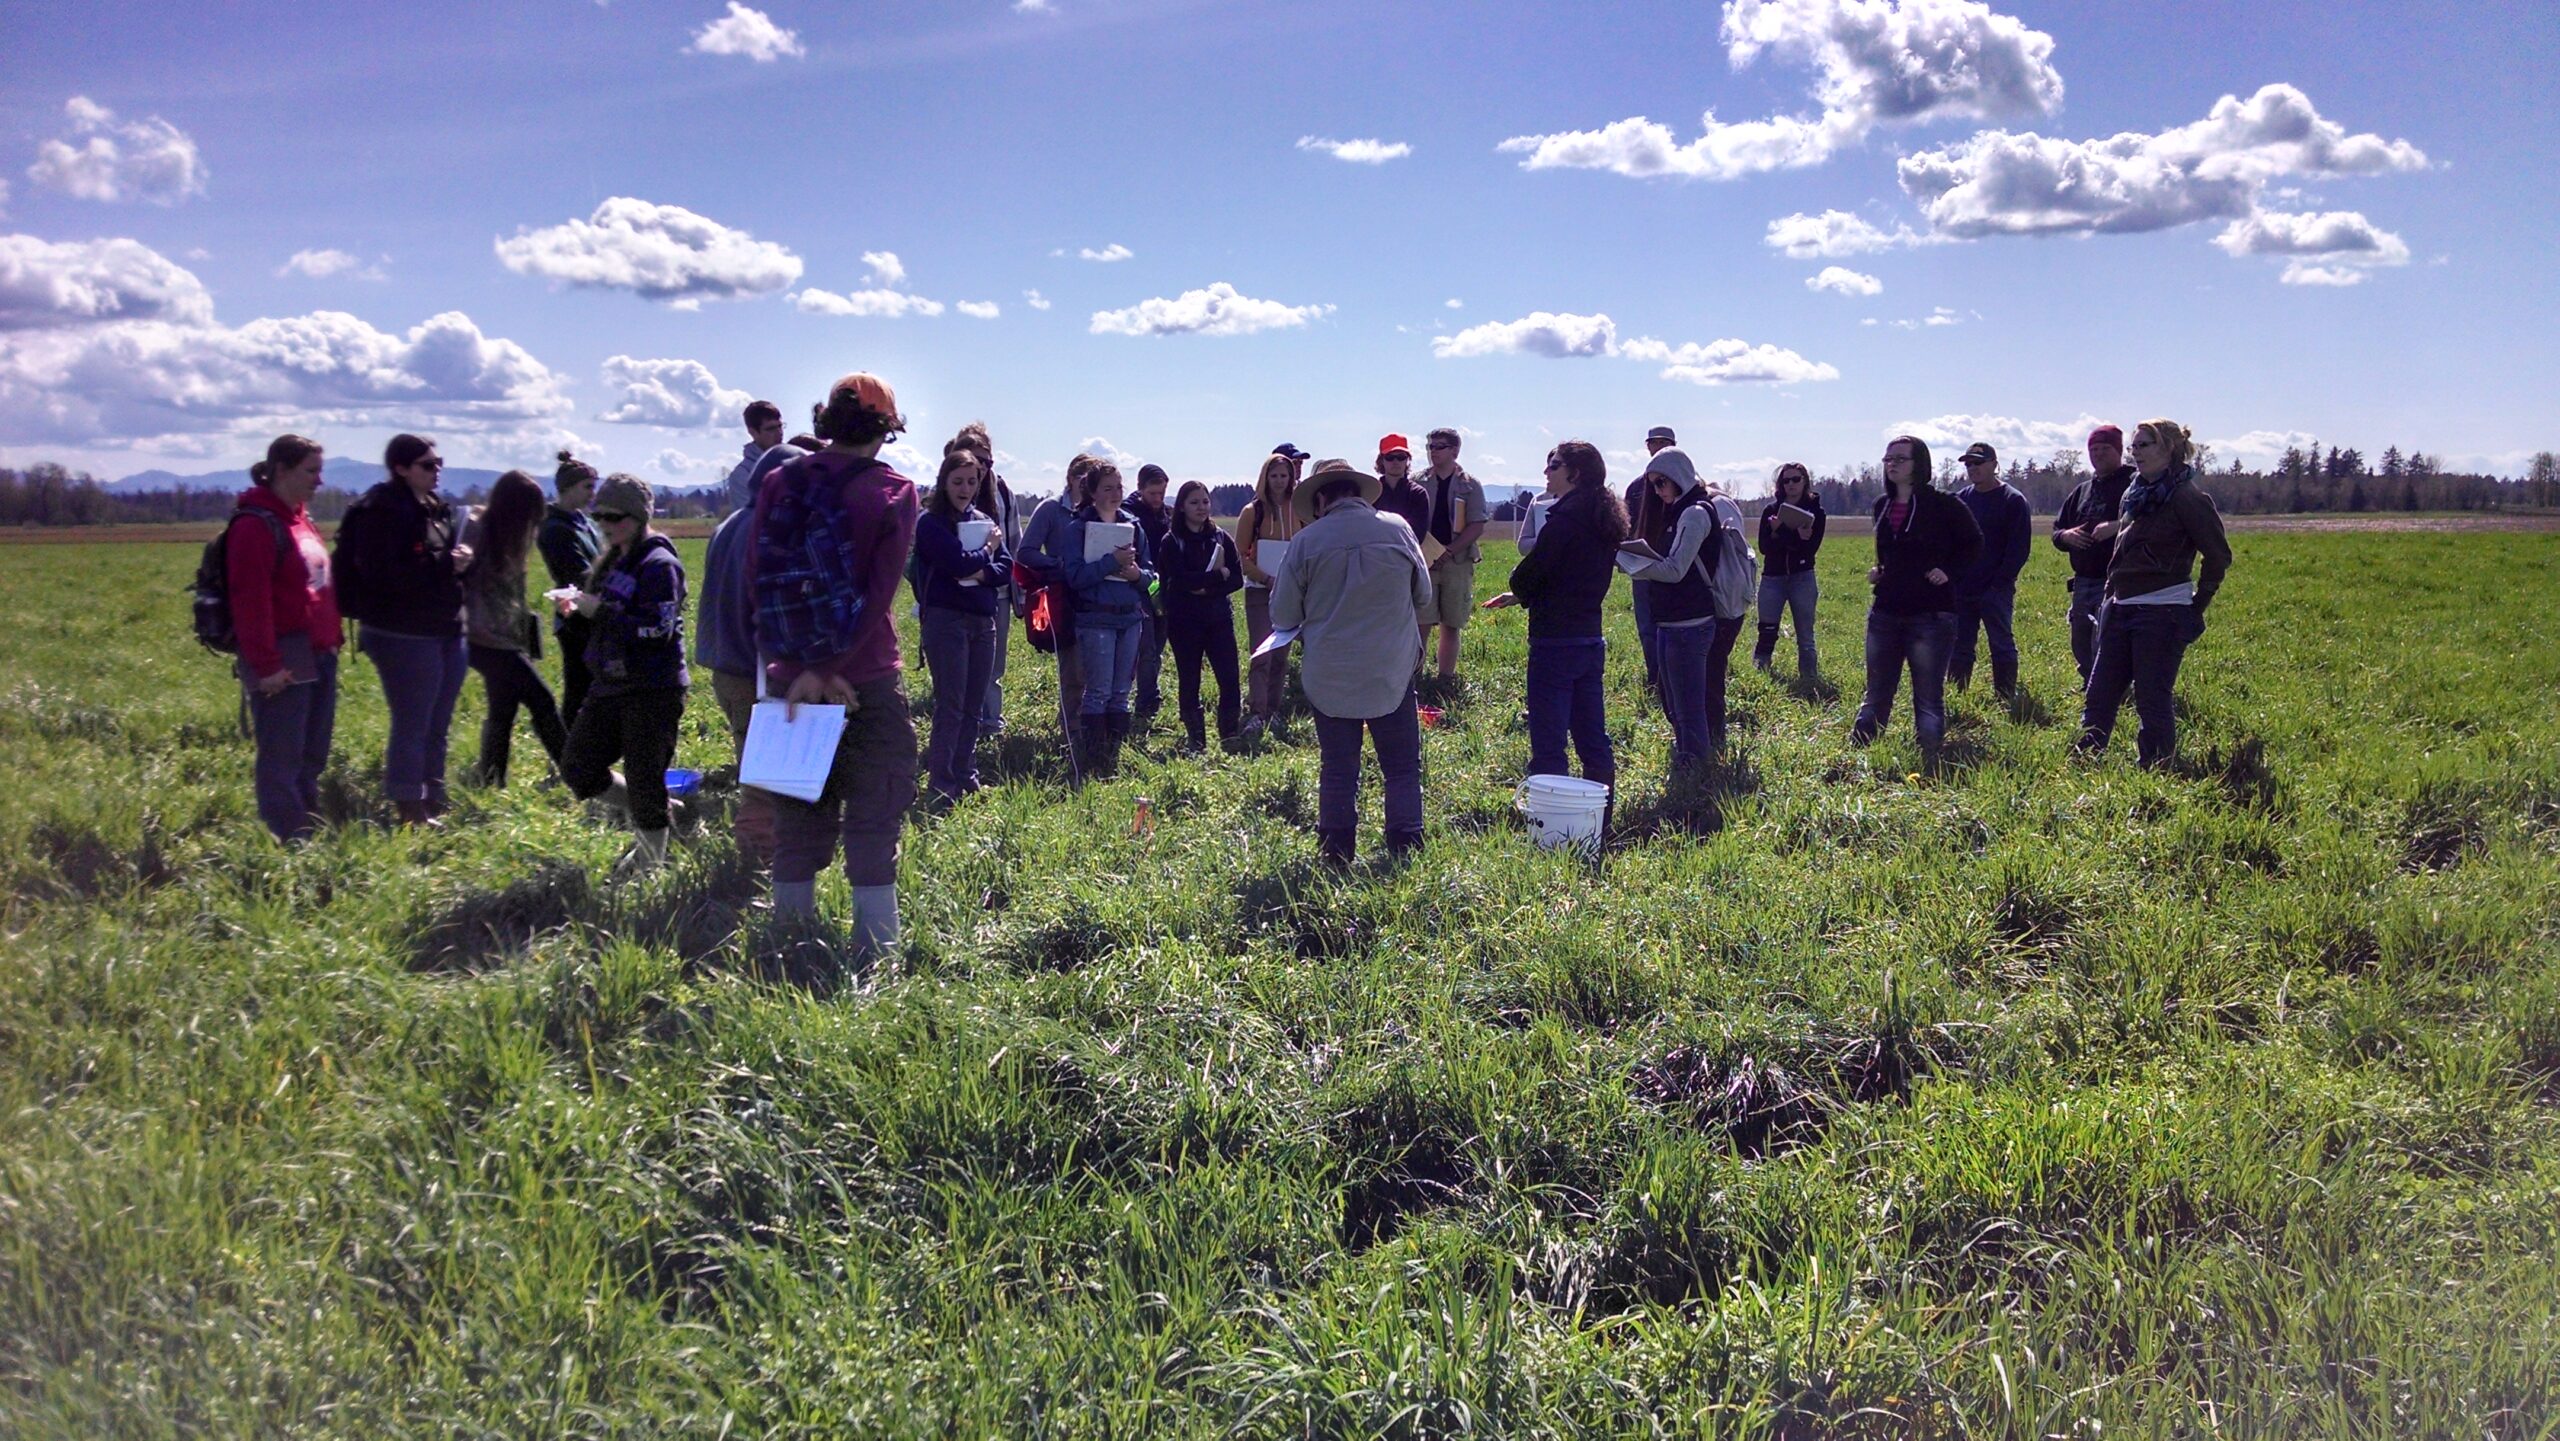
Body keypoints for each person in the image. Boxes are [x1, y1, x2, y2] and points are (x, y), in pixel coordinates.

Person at [749, 373, 921, 957]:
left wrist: (795, 667)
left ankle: (787, 940)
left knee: (796, 816)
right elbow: (879, 595)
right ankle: (877, 953)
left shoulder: (778, 481)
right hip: (864, 678)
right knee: (876, 810)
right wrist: (833, 666)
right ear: (885, 428)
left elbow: (759, 577)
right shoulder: (894, 491)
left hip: (787, 682)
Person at [1272, 459, 1432, 865]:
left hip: (1332, 672)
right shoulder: (1398, 528)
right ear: (1359, 493)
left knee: (1339, 767)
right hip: (1391, 668)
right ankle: (1405, 845)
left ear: (1322, 497)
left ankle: (1336, 851)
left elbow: (1284, 615)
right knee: (1401, 767)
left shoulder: (1307, 542)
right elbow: (1424, 596)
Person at [2076, 419, 2232, 767]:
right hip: (2120, 608)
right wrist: (2108, 601)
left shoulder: (2187, 498)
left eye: (2144, 445)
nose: (2135, 453)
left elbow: (2219, 556)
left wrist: (2197, 607)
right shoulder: (2133, 496)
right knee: (2099, 694)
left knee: (2151, 697)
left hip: (2162, 613)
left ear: (2169, 449)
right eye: (2133, 447)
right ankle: (2085, 759)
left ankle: (2157, 767)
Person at [333, 433, 471, 827]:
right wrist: (449, 564)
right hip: (403, 634)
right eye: (428, 465)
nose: (437, 470)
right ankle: (409, 805)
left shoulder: (431, 507)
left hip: (444, 628)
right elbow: (388, 578)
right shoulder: (382, 511)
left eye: (439, 462)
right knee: (414, 722)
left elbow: (433, 564)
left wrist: (459, 560)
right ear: (401, 468)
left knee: (438, 721)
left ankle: (433, 795)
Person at [558, 474, 690, 873]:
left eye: (615, 517)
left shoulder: (659, 564)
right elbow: (610, 621)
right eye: (600, 517)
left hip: (653, 688)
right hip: (611, 684)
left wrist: (601, 612)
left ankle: (650, 866)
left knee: (645, 776)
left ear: (637, 516)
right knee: (578, 767)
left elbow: (657, 629)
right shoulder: (617, 560)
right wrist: (579, 612)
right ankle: (666, 812)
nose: (606, 525)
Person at [1487, 441, 1623, 798]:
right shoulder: (1602, 519)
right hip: (1590, 639)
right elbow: (1568, 577)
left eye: (1555, 465)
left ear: (1575, 474)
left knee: (1548, 743)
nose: (1547, 471)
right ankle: (1599, 817)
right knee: (1593, 737)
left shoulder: (1564, 521)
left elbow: (1527, 576)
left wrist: (1520, 586)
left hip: (1554, 644)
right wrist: (1524, 594)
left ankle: (1554, 828)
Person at [228, 434, 342, 842]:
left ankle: (306, 828)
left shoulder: (300, 519)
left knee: (312, 753)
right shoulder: (255, 524)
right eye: (310, 471)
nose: (319, 481)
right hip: (284, 657)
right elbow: (249, 602)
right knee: (282, 756)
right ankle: (290, 840)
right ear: (280, 470)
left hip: (319, 653)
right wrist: (266, 666)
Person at [1850, 435, 1982, 763]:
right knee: (1877, 691)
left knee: (1927, 695)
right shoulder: (1882, 506)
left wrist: (1948, 570)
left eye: (1900, 459)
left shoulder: (1945, 505)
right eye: (1888, 459)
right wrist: (1880, 570)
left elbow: (1974, 544)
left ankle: (1930, 759)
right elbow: (1892, 551)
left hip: (1932, 615)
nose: (1892, 464)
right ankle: (1859, 759)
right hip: (1886, 611)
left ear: (1918, 464)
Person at [460, 470, 568, 788]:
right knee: (542, 701)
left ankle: (491, 779)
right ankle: (578, 774)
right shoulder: (478, 530)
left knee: (503, 709)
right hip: (482, 639)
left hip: (505, 638)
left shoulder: (509, 539)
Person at [913, 449, 1010, 803]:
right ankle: (942, 781)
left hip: (983, 621)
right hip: (946, 621)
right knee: (950, 704)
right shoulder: (931, 523)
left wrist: (980, 568)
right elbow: (955, 562)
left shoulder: (984, 519)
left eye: (972, 481)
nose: (965, 488)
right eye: (958, 481)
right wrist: (986, 552)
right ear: (944, 482)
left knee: (974, 704)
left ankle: (966, 773)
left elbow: (1006, 567)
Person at [1623, 448, 1725, 769]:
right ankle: (1687, 759)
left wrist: (1632, 564)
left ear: (1680, 476)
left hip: (1690, 623)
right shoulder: (1677, 510)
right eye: (1653, 485)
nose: (1658, 492)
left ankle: (1696, 769)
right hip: (1670, 622)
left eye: (1662, 482)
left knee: (1689, 707)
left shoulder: (1694, 513)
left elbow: (1675, 570)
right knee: (1673, 704)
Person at [1065, 462, 1157, 777]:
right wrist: (1111, 563)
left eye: (1119, 487)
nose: (1115, 494)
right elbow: (1074, 576)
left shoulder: (1135, 527)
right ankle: (1093, 757)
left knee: (1121, 691)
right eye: (1107, 488)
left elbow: (1154, 579)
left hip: (1130, 619)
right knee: (1099, 690)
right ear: (1091, 493)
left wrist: (1136, 575)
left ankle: (1115, 754)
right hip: (1095, 620)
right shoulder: (1078, 528)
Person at [1019, 454, 1097, 776]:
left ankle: (1093, 728)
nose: (1086, 485)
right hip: (1065, 599)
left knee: (1098, 669)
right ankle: (1072, 731)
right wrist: (1059, 566)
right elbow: (1025, 552)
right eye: (1082, 479)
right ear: (1070, 479)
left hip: (1097, 598)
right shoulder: (1051, 510)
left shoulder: (1102, 512)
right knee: (1073, 669)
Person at [1157, 479, 1244, 750]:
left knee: (1230, 678)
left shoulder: (1220, 537)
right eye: (1194, 502)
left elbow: (1237, 578)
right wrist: (1217, 576)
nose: (1201, 507)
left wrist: (1206, 588)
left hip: (1219, 618)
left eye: (1205, 501)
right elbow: (1180, 580)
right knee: (1189, 679)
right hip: (1184, 621)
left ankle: (1229, 735)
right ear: (1181, 507)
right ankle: (1197, 740)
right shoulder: (1171, 541)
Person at [949, 424, 1021, 735]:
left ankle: (990, 722)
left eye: (988, 461)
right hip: (956, 593)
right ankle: (961, 723)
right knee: (960, 664)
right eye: (977, 459)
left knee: (993, 663)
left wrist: (1019, 592)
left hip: (999, 591)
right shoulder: (948, 493)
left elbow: (1014, 540)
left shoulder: (1002, 490)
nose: (982, 467)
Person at [1949, 441, 2033, 701]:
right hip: (1963, 589)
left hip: (1996, 589)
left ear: (1994, 465)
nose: (1972, 468)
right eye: (1968, 464)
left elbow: (2018, 549)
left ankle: (2005, 696)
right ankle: (1956, 696)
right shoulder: (1961, 500)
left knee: (2001, 643)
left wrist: (1999, 584)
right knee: (1959, 646)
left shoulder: (2013, 501)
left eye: (1978, 463)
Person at [2054, 424, 2136, 685]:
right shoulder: (2082, 490)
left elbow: (2151, 522)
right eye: (2094, 449)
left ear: (2119, 451)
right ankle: (2091, 685)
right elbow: (2057, 529)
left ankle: (2113, 689)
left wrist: (2116, 527)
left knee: (2109, 638)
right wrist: (2066, 536)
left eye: (2105, 448)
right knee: (2080, 637)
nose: (2098, 454)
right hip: (2083, 581)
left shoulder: (2134, 484)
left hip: (2118, 579)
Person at [1235, 451, 1302, 735]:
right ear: (1265, 477)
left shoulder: (1300, 509)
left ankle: (1274, 710)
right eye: (1273, 476)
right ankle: (1257, 713)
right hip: (1260, 592)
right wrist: (1264, 578)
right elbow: (1239, 555)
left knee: (1281, 655)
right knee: (1261, 653)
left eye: (1283, 476)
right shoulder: (1253, 512)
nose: (1278, 481)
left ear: (1291, 478)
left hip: (1290, 592)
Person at [538, 452, 604, 729]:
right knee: (579, 690)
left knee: (593, 688)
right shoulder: (555, 529)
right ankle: (569, 755)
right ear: (567, 488)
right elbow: (577, 574)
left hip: (592, 612)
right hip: (575, 619)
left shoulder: (585, 523)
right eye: (587, 487)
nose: (593, 493)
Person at [1417, 427, 1487, 683]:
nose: (1433, 451)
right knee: (1421, 622)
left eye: (1439, 446)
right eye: (1430, 447)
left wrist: (1449, 552)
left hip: (1457, 561)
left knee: (1451, 622)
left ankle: (1446, 678)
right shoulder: (1418, 480)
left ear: (1455, 451)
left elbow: (1477, 524)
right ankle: (1416, 677)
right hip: (1425, 560)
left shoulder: (1470, 485)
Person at [1622, 424, 1680, 698]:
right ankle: (1655, 679)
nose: (1657, 447)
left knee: (1676, 627)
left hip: (1676, 565)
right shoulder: (1635, 487)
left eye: (1664, 442)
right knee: (1647, 627)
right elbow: (1624, 524)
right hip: (1643, 566)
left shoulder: (1687, 484)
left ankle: (1676, 680)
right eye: (1653, 443)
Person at [1754, 462, 1825, 678]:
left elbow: (1809, 548)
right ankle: (1761, 674)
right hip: (1772, 578)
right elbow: (1765, 547)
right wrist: (1792, 535)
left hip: (1802, 577)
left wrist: (1780, 532)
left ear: (1805, 481)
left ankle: (1809, 678)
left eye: (1796, 479)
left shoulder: (1816, 512)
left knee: (1805, 633)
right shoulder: (1771, 511)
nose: (1791, 484)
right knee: (1766, 630)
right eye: (1786, 480)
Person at [1128, 462, 1173, 726]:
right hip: (1139, 588)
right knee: (1145, 648)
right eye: (1153, 493)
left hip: (1162, 589)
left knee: (1157, 645)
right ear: (1140, 488)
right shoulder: (1129, 516)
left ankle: (1149, 693)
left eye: (1162, 493)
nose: (1157, 499)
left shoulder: (1166, 515)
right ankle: (1147, 700)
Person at [722, 400, 785, 509]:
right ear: (753, 432)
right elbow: (750, 519)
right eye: (770, 429)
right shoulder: (742, 475)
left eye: (780, 426)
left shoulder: (792, 462)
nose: (779, 432)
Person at [1373, 434, 1433, 543]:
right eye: (1390, 457)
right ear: (1381, 460)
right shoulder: (1372, 491)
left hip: (1406, 554)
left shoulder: (1418, 493)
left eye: (1401, 457)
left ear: (1407, 460)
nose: (1396, 462)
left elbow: (1418, 534)